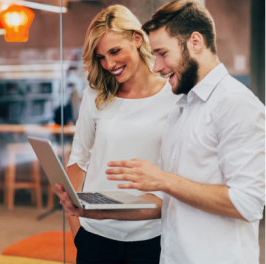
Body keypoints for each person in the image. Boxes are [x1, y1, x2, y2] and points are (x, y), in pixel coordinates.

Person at [57, 1, 265, 263]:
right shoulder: (187, 103)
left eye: (162, 53)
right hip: (163, 248)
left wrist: (163, 181)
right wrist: (87, 220)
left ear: (195, 42)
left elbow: (247, 202)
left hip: (183, 247)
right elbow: (169, 198)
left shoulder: (226, 103)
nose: (156, 66)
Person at [64, 4, 179, 264]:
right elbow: (78, 159)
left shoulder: (173, 96)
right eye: (101, 57)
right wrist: (77, 230)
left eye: (115, 51)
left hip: (153, 237)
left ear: (137, 39)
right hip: (96, 236)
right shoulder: (95, 96)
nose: (109, 64)